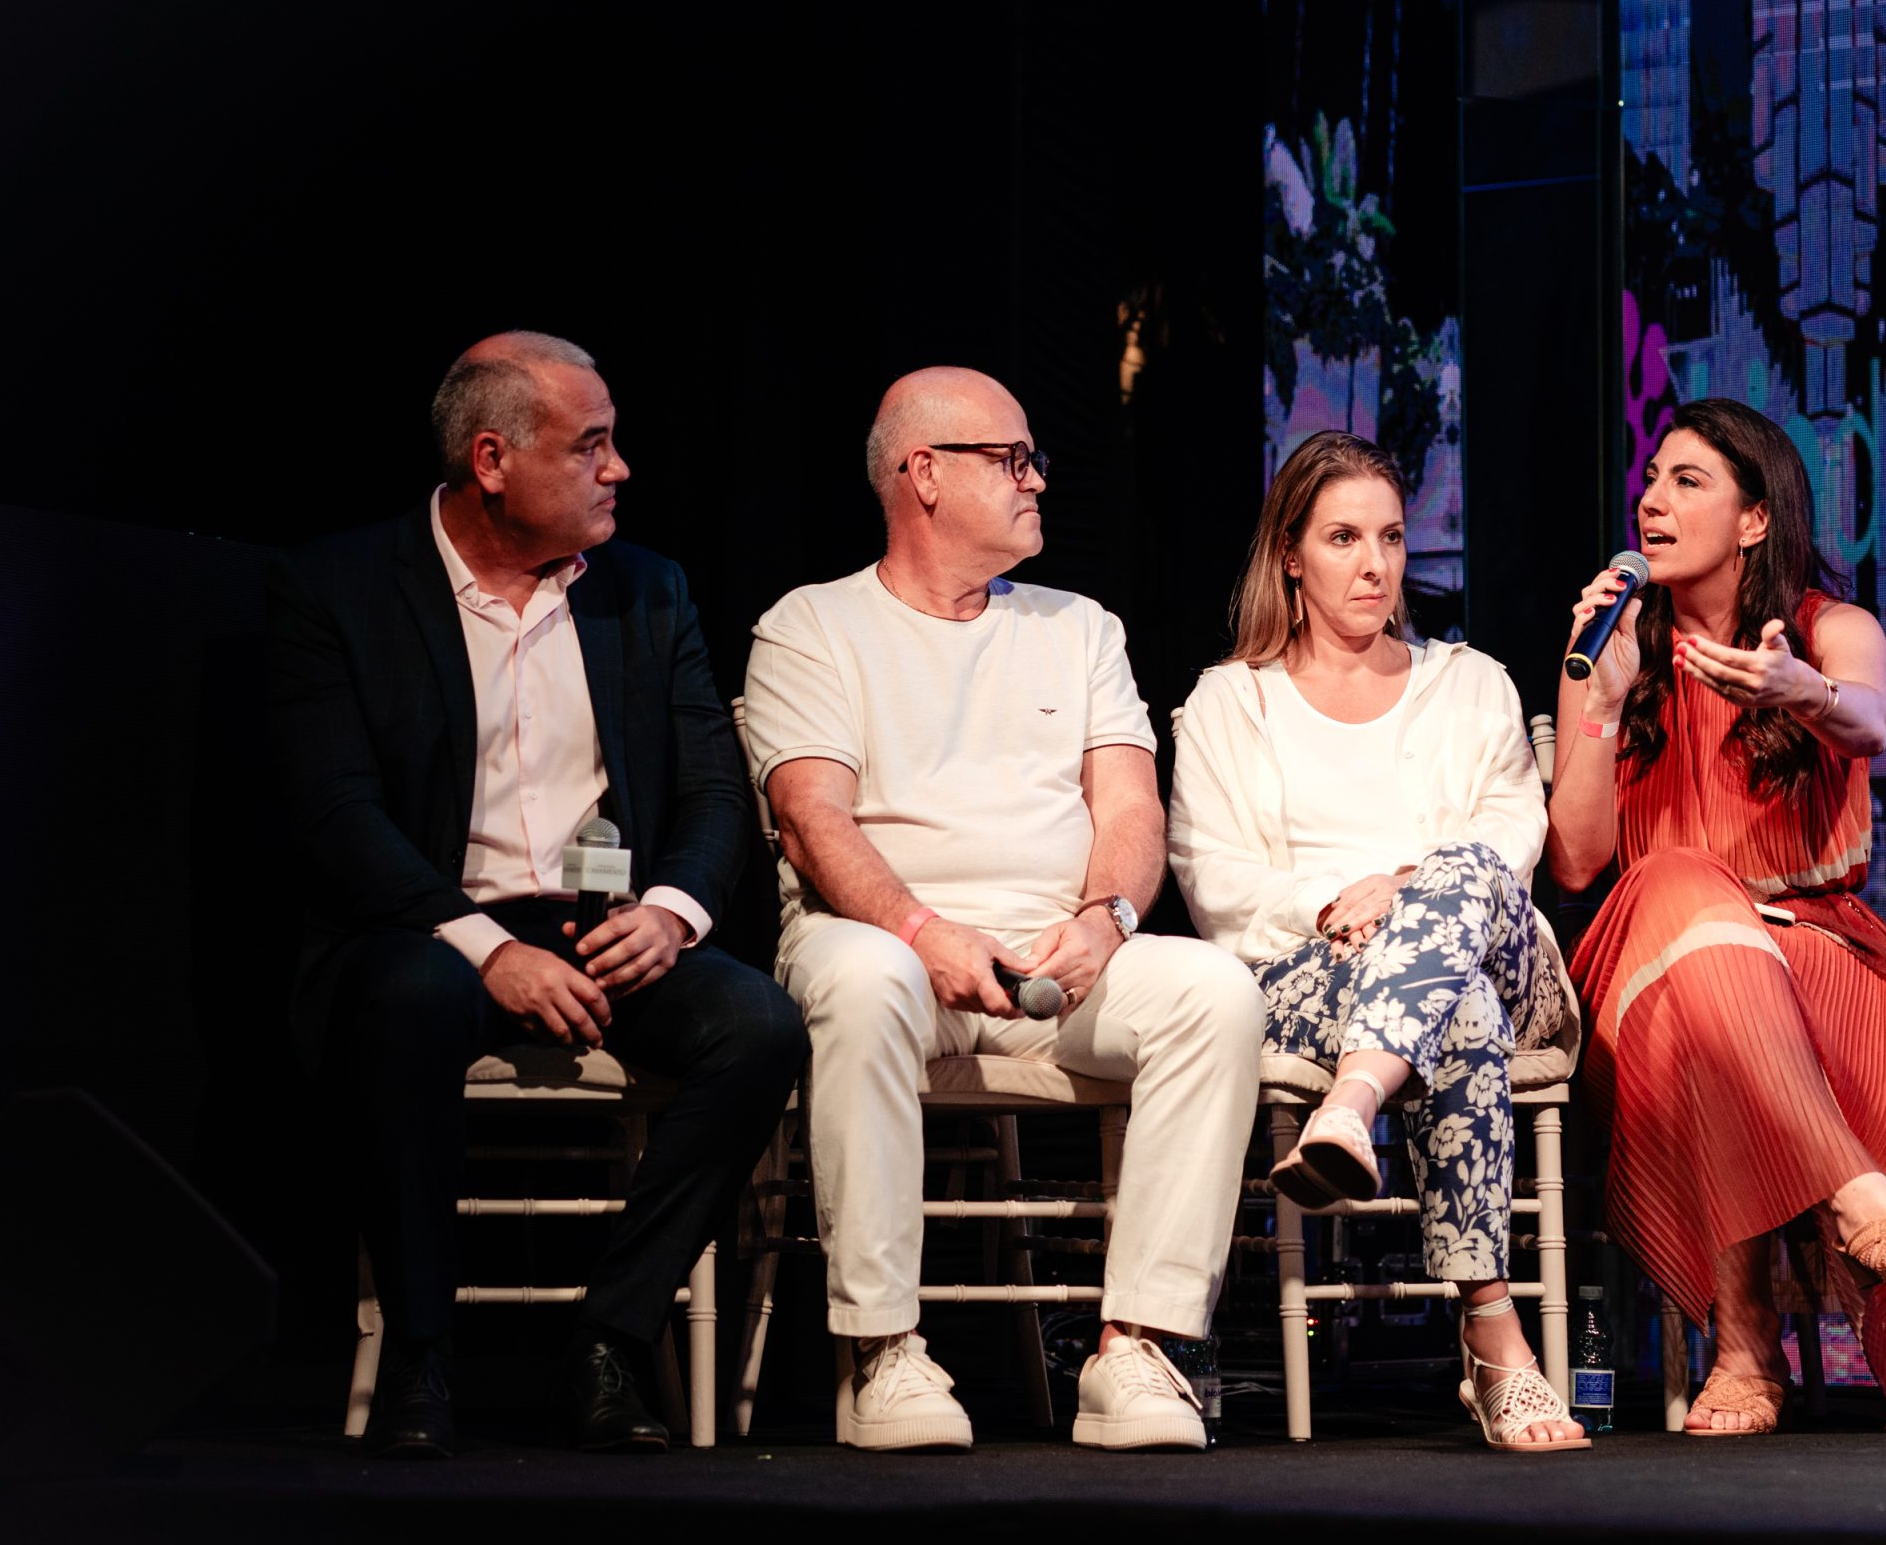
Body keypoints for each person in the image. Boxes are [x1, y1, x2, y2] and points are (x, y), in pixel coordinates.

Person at [266, 331, 806, 1458]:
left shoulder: (649, 592)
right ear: (493, 458)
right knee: (409, 998)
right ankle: (421, 1352)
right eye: (592, 446)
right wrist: (481, 946)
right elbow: (332, 814)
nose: (619, 470)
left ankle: (609, 1337)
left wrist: (669, 910)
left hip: (600, 920)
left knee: (757, 1023)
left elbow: (712, 784)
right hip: (423, 921)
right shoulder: (338, 589)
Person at [744, 365, 1265, 1453]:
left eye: (1034, 456)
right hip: (891, 946)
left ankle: (1136, 1346)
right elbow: (812, 819)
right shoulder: (813, 624)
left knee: (1213, 990)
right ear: (921, 474)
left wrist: (1102, 921)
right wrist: (924, 932)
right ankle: (881, 1350)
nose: (1040, 476)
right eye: (1012, 457)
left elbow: (1129, 805)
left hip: (1056, 949)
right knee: (865, 974)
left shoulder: (1079, 626)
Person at [1549, 397, 1886, 1436]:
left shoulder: (1829, 628)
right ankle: (1841, 1214)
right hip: (1650, 955)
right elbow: (1579, 858)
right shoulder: (1610, 651)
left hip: (1815, 946)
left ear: (1752, 518)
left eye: (1687, 480)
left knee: (1746, 1002)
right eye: (1650, 477)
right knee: (1690, 898)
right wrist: (1596, 697)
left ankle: (1751, 1349)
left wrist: (1799, 689)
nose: (1650, 497)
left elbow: (1869, 721)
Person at [1169, 430, 1587, 1453]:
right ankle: (1495, 1337)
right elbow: (1214, 882)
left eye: (1392, 536)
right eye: (1345, 536)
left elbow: (1508, 849)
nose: (1375, 563)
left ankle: (1350, 1105)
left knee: (1462, 882)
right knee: (1459, 1008)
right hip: (1308, 976)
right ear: (1290, 557)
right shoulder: (1232, 700)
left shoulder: (1469, 681)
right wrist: (1327, 908)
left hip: (1490, 946)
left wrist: (1399, 889)